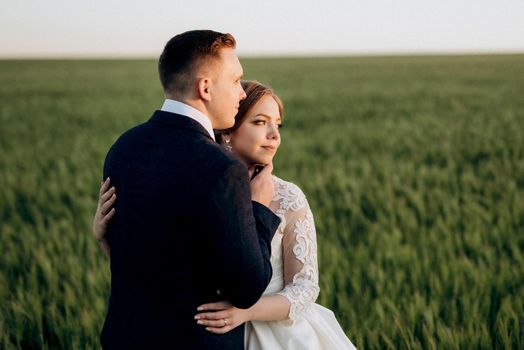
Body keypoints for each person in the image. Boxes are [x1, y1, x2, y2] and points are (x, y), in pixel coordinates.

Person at [94, 80, 357, 349]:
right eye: (260, 122)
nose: (274, 134)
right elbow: (164, 272)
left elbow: (305, 287)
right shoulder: (205, 187)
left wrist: (247, 311)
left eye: (277, 124)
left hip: (279, 337)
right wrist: (105, 239)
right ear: (230, 130)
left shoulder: (288, 197)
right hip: (205, 335)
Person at [94, 31, 281, 349]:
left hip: (123, 338)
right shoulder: (222, 169)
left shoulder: (123, 148)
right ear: (205, 87)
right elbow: (246, 289)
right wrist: (259, 208)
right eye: (235, 80)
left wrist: (102, 237)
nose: (240, 93)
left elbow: (145, 258)